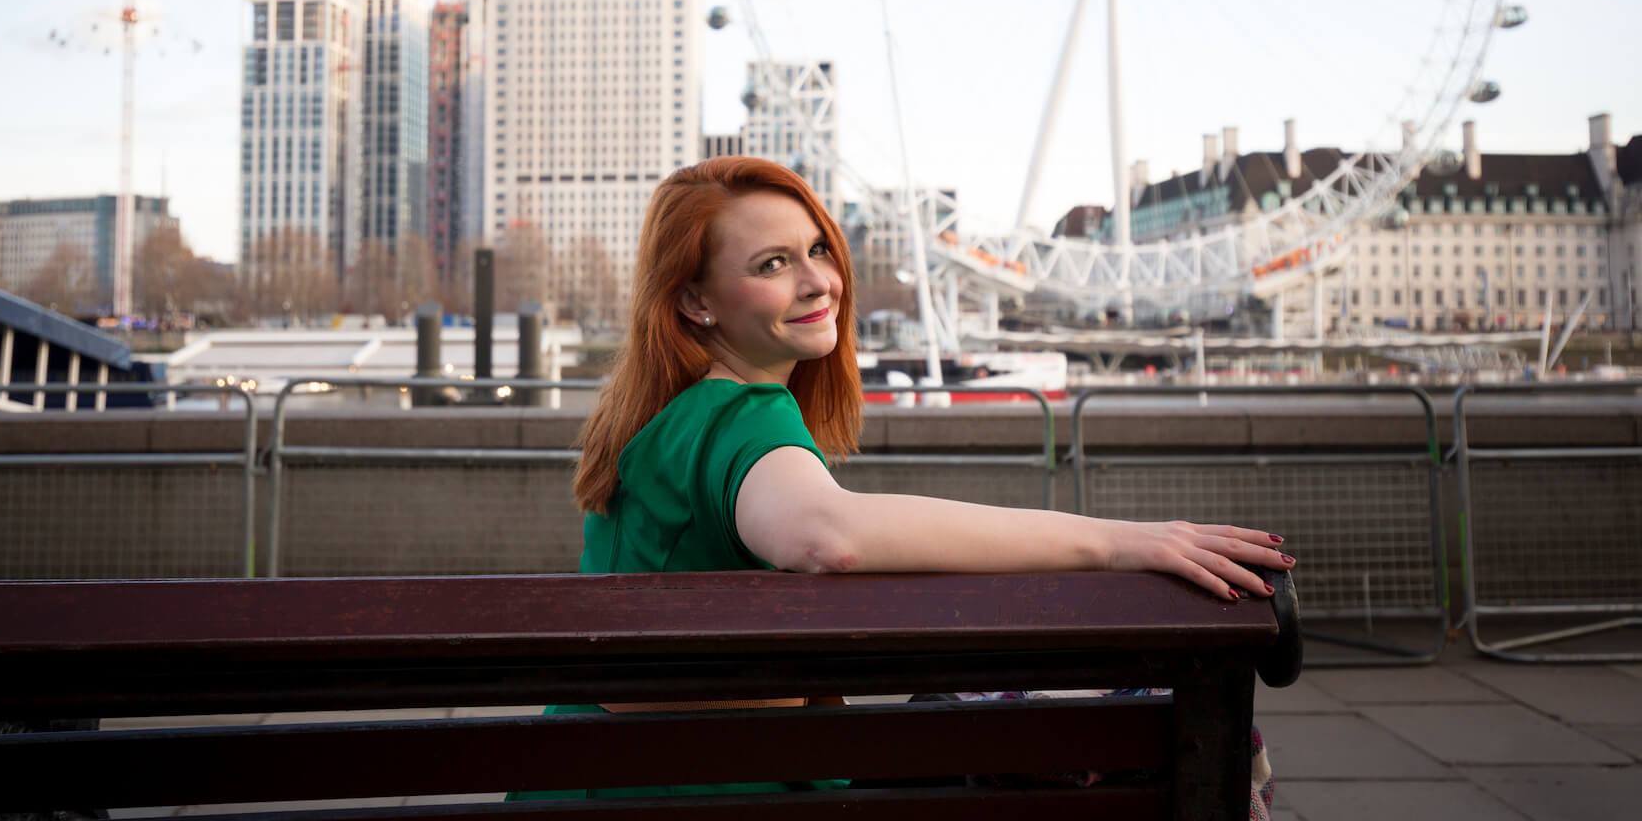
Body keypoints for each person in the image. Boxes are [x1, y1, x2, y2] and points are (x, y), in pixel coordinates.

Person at [510, 157, 1291, 801]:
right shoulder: (741, 414)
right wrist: (1119, 544)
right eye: (772, 264)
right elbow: (828, 537)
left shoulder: (654, 424)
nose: (819, 281)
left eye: (818, 249)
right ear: (694, 302)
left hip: (586, 776)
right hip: (695, 791)